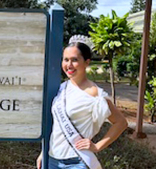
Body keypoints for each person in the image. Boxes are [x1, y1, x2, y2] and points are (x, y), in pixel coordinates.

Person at [36, 35, 128, 169]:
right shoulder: (61, 88)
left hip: (78, 161)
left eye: (74, 60)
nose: (69, 65)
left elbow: (121, 122)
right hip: (52, 159)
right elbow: (55, 126)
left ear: (86, 62)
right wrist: (42, 153)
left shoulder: (95, 94)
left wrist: (97, 146)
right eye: (66, 60)